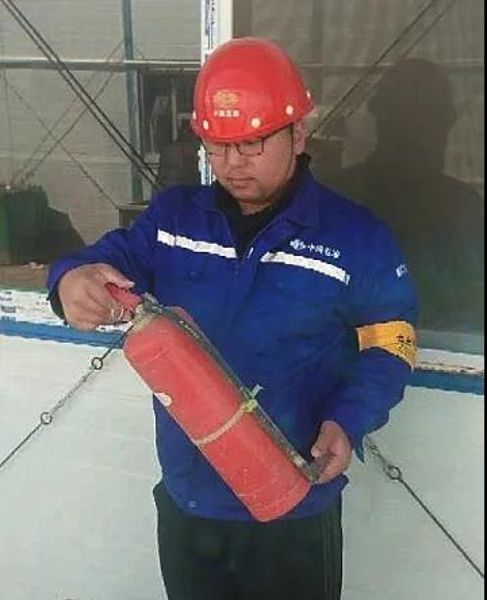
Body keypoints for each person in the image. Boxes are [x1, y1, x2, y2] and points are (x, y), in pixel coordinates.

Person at [47, 38, 418, 600]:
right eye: (218, 145)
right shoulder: (174, 221)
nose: (232, 164)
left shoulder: (355, 238)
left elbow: (392, 343)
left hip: (293, 508)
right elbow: (100, 262)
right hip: (190, 504)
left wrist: (349, 420)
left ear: (298, 133)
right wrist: (70, 282)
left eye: (250, 143)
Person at [325, 58, 483, 334]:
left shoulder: (467, 210)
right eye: (413, 124)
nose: (425, 137)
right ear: (384, 124)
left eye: (434, 123)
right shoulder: (334, 203)